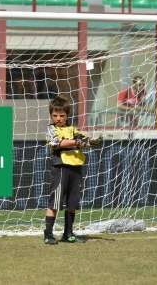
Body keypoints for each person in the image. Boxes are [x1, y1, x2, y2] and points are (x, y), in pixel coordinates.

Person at [44, 95, 87, 244]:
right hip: (60, 169)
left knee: (72, 203)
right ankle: (48, 234)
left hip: (75, 169)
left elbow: (84, 140)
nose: (58, 118)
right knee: (55, 203)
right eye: (55, 115)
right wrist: (77, 142)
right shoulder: (50, 129)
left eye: (62, 115)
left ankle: (68, 233)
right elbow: (57, 143)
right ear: (51, 115)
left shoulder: (74, 129)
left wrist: (87, 141)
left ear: (67, 115)